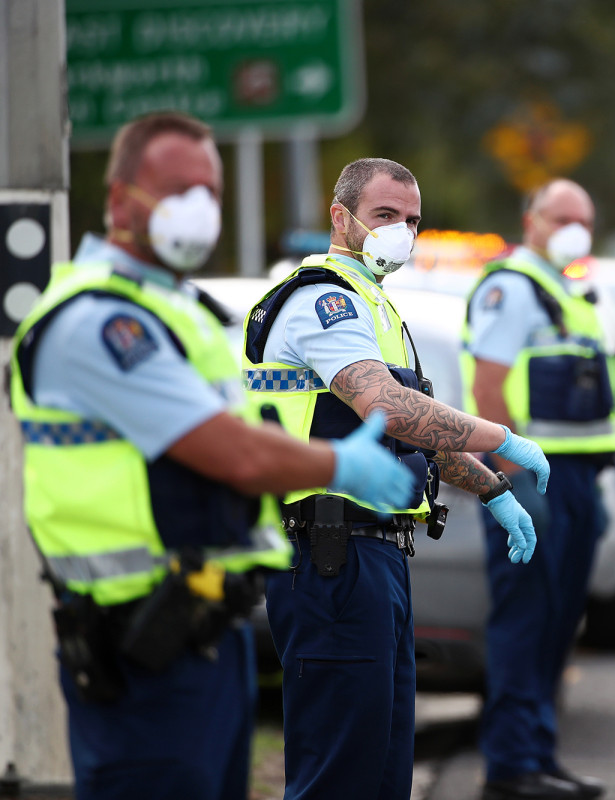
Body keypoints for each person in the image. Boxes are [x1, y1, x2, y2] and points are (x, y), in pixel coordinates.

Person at [8, 111, 417, 800]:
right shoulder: (100, 320)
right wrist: (339, 467)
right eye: (175, 189)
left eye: (209, 190)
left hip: (201, 628)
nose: (197, 209)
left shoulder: (180, 313)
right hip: (136, 642)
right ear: (118, 201)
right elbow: (232, 453)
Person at [241, 157, 551, 800]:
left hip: (373, 558)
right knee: (339, 774)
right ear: (341, 218)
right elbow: (390, 407)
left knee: (382, 774)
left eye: (411, 220)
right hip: (329, 557)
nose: (401, 232)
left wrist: (493, 489)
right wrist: (502, 438)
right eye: (385, 216)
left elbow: (410, 431)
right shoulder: (323, 301)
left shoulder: (374, 307)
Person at [461, 178, 615, 800]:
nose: (574, 230)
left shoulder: (567, 291)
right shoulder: (512, 288)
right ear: (531, 219)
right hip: (532, 476)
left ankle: (540, 754)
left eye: (584, 219)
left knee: (558, 623)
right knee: (524, 620)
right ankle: (509, 764)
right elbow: (490, 390)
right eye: (562, 218)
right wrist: (509, 478)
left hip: (577, 479)